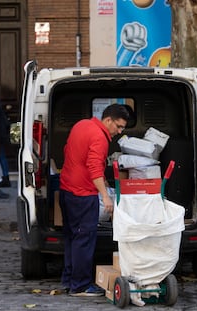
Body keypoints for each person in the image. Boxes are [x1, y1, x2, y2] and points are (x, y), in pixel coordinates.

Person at [59, 103, 129, 297]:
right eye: (119, 126)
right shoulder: (100, 138)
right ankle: (80, 285)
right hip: (83, 194)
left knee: (72, 237)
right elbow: (94, 167)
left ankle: (69, 280)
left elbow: (69, 151)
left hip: (66, 189)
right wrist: (105, 196)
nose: (119, 131)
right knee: (84, 239)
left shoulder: (81, 125)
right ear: (108, 120)